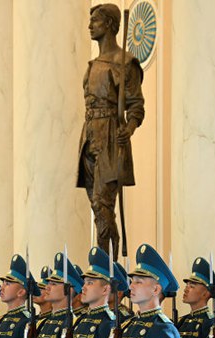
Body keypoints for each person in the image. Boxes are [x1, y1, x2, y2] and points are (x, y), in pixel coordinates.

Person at [78, 3, 144, 256]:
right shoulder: (92, 65)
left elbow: (136, 104)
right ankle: (108, 256)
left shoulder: (125, 62)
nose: (89, 25)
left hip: (110, 138)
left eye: (95, 21)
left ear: (110, 24)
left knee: (102, 203)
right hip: (89, 136)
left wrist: (130, 127)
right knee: (97, 207)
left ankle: (104, 266)